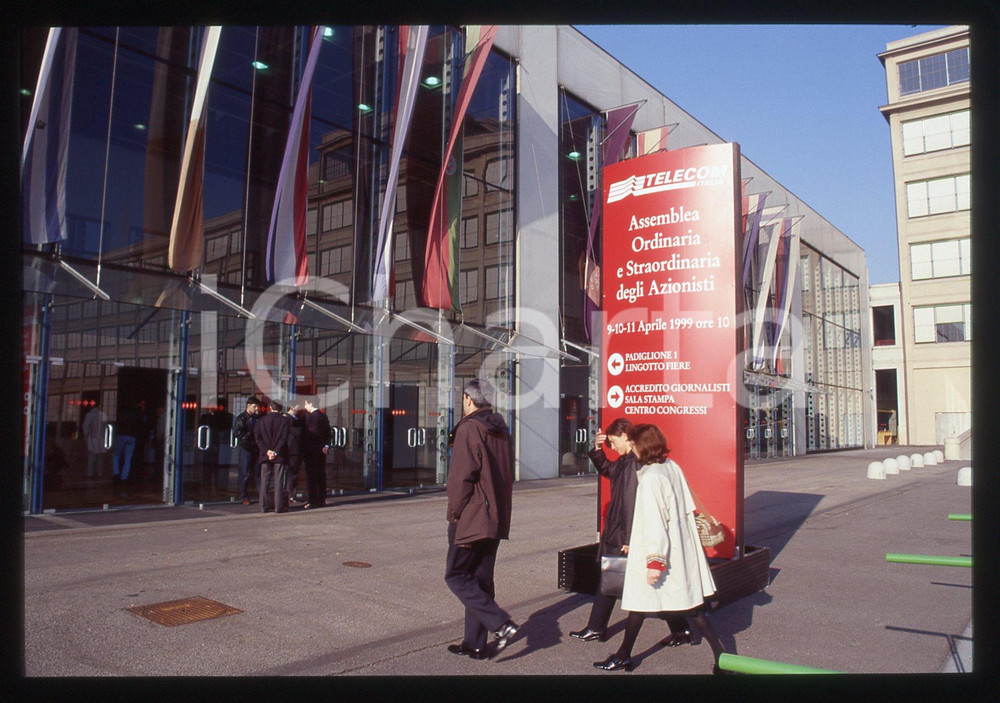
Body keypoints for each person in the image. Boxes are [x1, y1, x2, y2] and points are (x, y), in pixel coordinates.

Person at [593, 424, 726, 673]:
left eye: (632, 444)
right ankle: (721, 658)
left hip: (658, 552)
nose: (630, 448)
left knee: (646, 604)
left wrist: (654, 562)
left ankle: (720, 656)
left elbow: (655, 522)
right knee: (675, 607)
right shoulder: (670, 466)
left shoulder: (652, 477)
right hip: (678, 548)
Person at [569, 419, 691, 646]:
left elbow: (630, 502)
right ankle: (681, 629)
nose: (612, 447)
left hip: (623, 531)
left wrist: (627, 538)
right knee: (621, 578)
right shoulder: (629, 461)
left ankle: (598, 629)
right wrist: (597, 450)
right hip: (622, 529)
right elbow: (608, 469)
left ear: (626, 436)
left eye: (613, 442)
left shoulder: (633, 463)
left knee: (613, 577)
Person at [444, 379, 519, 661]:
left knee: (457, 575)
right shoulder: (500, 430)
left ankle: (501, 624)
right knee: (480, 580)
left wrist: (454, 514)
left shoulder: (470, 428)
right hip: (495, 516)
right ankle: (475, 644)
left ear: (467, 399)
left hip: (473, 517)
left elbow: (461, 477)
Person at [254, 400, 290, 514]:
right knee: (278, 481)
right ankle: (278, 507)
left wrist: (266, 451)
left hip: (265, 455)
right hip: (279, 455)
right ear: (280, 409)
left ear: (270, 408)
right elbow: (283, 438)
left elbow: (257, 437)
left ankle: (263, 506)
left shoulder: (261, 420)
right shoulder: (285, 421)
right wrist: (275, 451)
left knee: (265, 480)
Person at [301, 397, 332, 509]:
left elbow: (303, 434)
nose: (305, 406)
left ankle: (312, 500)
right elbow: (328, 433)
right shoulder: (323, 416)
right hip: (320, 451)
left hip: (310, 451)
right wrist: (326, 446)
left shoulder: (307, 417)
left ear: (310, 403)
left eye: (305, 404)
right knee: (321, 475)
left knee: (311, 477)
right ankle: (321, 499)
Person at [233, 397, 261, 505]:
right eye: (254, 406)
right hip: (246, 448)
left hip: (255, 448)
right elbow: (237, 433)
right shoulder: (241, 418)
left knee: (257, 473)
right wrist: (249, 435)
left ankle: (261, 495)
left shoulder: (256, 418)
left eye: (257, 407)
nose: (256, 409)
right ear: (248, 405)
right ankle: (244, 496)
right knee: (244, 473)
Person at [112, 399, 147, 486]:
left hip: (122, 435)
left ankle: (116, 473)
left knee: (116, 455)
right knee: (128, 458)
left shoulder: (122, 414)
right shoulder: (137, 414)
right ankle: (124, 477)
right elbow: (143, 423)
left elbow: (118, 424)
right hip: (132, 437)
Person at [81, 399, 109, 479]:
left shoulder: (89, 415)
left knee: (91, 457)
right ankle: (100, 473)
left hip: (92, 438)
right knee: (100, 457)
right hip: (102, 438)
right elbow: (106, 426)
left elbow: (85, 427)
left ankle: (90, 474)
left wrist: (86, 435)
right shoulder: (103, 415)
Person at [284, 403, 305, 505]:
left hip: (297, 449)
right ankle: (290, 494)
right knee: (291, 473)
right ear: (292, 407)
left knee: (294, 473)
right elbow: (295, 431)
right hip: (291, 449)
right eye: (297, 406)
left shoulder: (297, 418)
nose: (299, 408)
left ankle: (292, 493)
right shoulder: (286, 418)